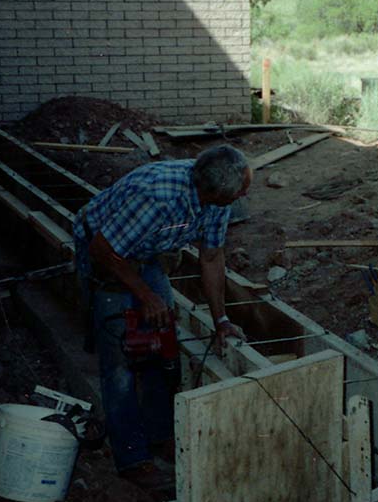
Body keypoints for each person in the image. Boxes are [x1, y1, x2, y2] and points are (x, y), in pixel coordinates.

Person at [73, 145, 251, 480]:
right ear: (213, 191)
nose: (246, 193)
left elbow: (211, 258)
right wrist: (144, 294)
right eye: (240, 190)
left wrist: (222, 320)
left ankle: (160, 436)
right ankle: (132, 457)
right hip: (103, 249)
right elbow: (103, 248)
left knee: (162, 343)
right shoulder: (157, 196)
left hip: (143, 247)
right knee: (121, 359)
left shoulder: (218, 199)